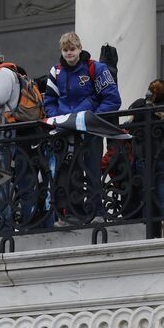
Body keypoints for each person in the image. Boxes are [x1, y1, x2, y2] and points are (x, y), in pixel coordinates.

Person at [44, 32, 122, 221]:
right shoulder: (55, 72)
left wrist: (92, 118)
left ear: (79, 48)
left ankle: (97, 211)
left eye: (72, 49)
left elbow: (112, 99)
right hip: (65, 130)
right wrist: (58, 118)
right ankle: (71, 212)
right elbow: (49, 101)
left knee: (92, 169)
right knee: (68, 171)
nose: (69, 53)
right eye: (65, 50)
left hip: (90, 130)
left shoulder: (96, 68)